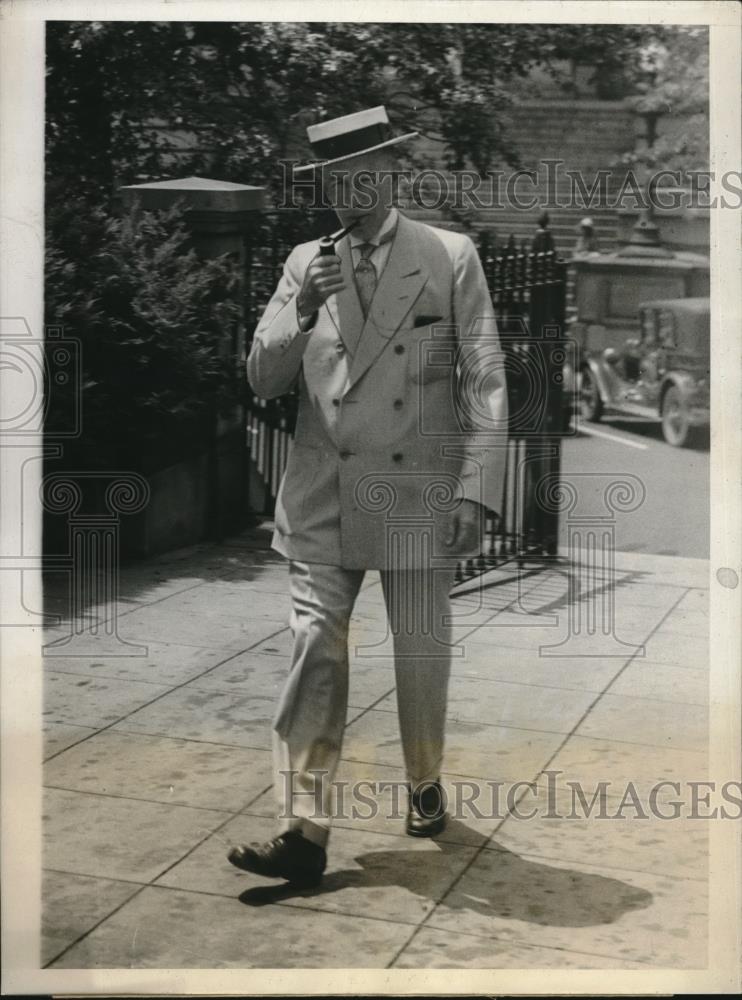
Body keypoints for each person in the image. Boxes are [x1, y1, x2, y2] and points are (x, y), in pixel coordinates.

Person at [228, 106, 508, 888]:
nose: (343, 192)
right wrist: (302, 307)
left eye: (358, 176)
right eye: (329, 180)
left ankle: (424, 782)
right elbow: (260, 378)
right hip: (322, 493)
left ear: (390, 175)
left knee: (420, 655)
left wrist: (477, 491)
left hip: (418, 487)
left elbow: (486, 379)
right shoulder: (300, 264)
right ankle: (303, 829)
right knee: (317, 648)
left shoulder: (450, 256)